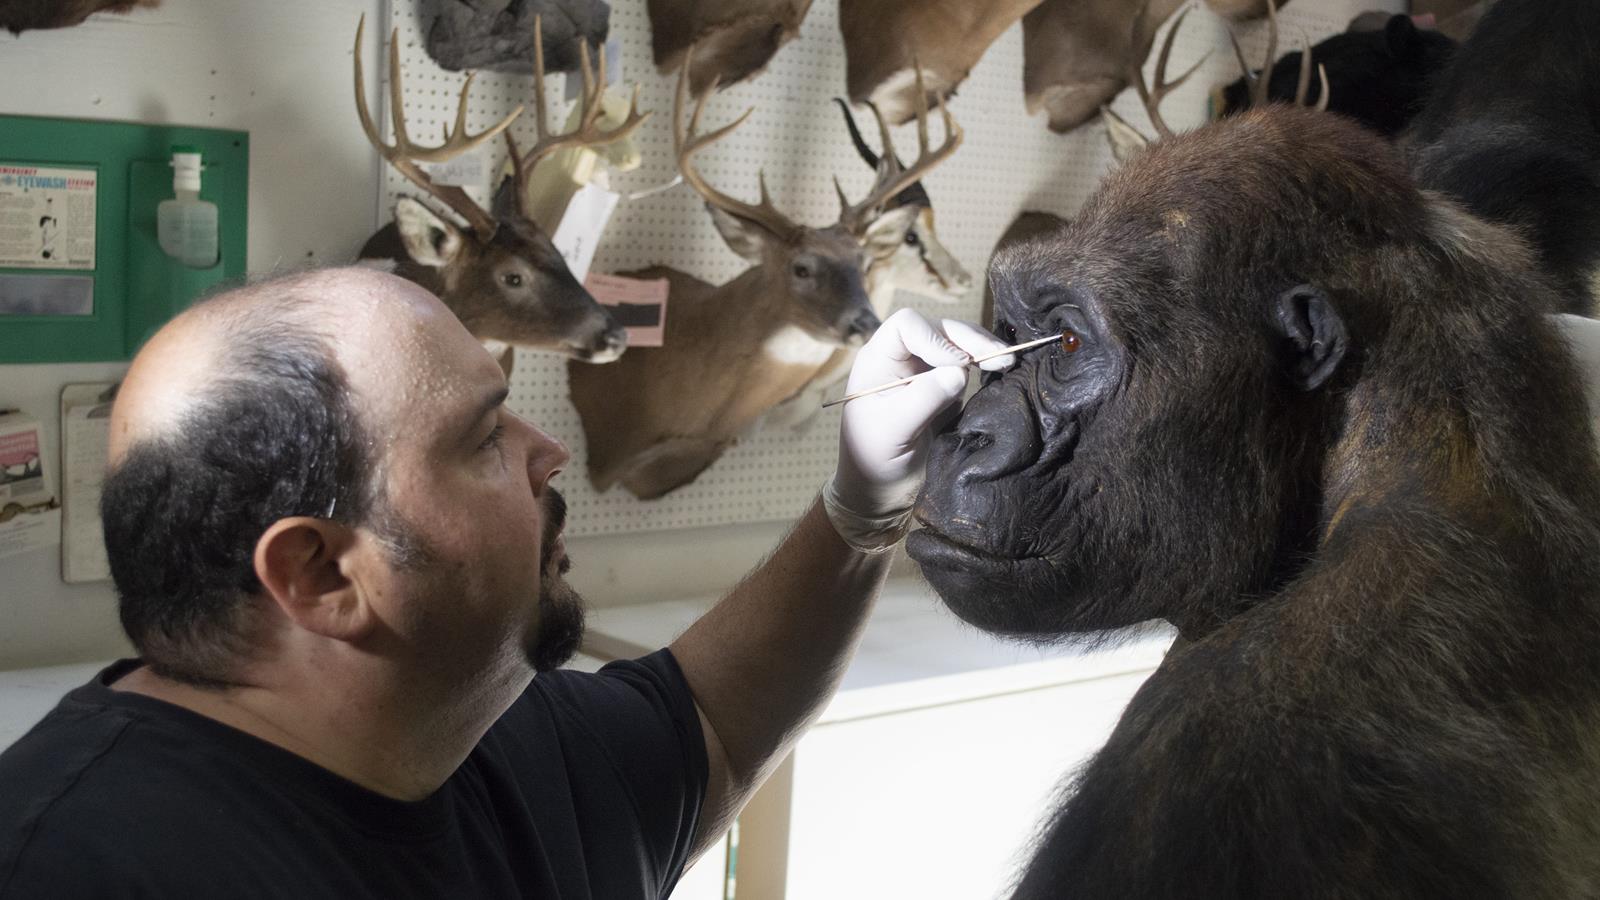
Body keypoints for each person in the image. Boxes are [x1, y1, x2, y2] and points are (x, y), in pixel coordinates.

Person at [0, 267, 1013, 898]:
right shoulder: (76, 868)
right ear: (319, 574)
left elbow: (714, 716)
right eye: (483, 438)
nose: (548, 454)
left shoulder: (467, 726)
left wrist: (864, 498)